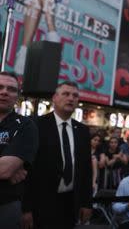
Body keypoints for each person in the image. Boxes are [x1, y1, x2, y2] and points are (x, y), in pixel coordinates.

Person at [22, 81, 93, 229]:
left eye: (75, 95)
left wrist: (86, 203)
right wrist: (25, 208)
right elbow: (26, 169)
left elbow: (86, 170)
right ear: (54, 98)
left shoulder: (82, 131)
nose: (71, 98)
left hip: (70, 203)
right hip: (40, 205)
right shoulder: (36, 125)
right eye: (66, 94)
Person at [0, 72, 38, 229]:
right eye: (0, 87)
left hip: (4, 206)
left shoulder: (26, 126)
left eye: (11, 89)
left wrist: (7, 168)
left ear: (17, 96)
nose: (4, 92)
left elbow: (5, 170)